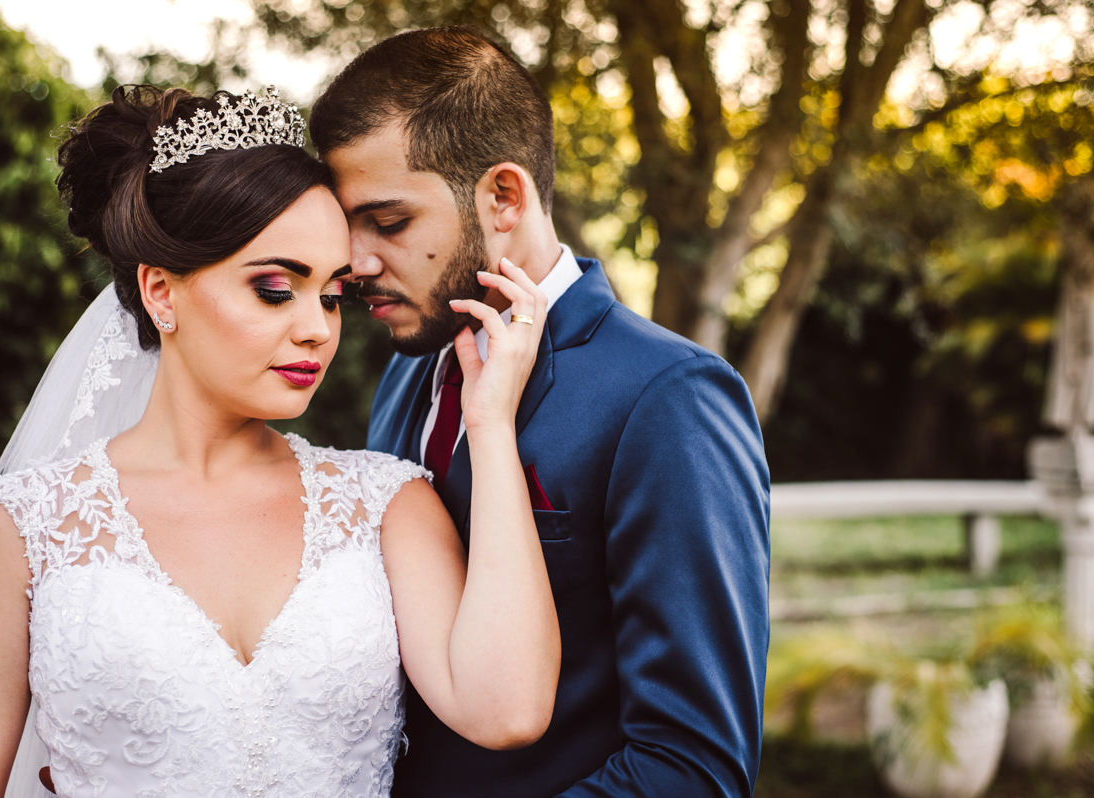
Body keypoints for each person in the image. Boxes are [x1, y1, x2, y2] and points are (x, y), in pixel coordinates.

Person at [0, 84, 560, 797]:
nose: (318, 327)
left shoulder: (386, 503)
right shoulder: (20, 528)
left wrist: (489, 425)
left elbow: (508, 710)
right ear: (161, 292)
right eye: (276, 288)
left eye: (333, 294)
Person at [309, 27, 771, 797]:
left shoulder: (669, 397)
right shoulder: (409, 374)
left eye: (388, 223)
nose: (355, 263)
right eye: (347, 224)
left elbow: (695, 767)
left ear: (504, 197)